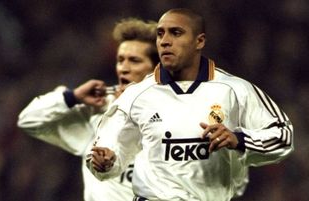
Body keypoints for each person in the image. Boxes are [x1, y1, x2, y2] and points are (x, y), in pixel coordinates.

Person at [86, 8, 294, 201]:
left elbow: (283, 136)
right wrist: (105, 162)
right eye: (160, 34)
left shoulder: (235, 90)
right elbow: (106, 150)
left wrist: (238, 139)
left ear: (199, 41)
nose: (165, 41)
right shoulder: (136, 95)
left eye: (176, 33)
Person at [17, 18, 159, 201]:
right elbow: (28, 120)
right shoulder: (97, 110)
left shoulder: (177, 114)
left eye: (134, 61)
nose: (123, 68)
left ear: (157, 69)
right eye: (120, 60)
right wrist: (72, 97)